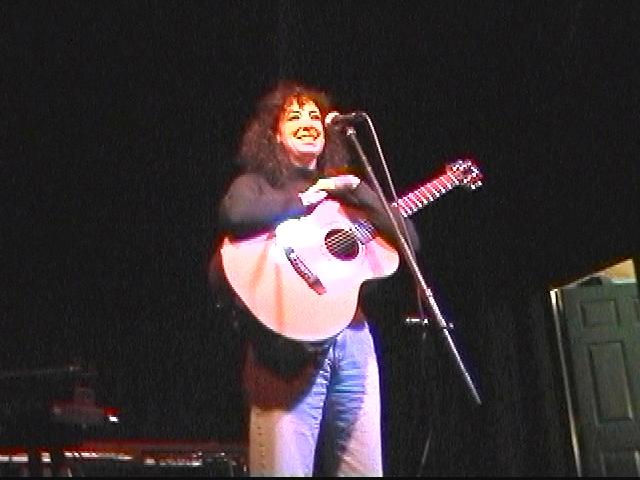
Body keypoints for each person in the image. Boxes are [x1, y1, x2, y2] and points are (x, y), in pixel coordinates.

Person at [208, 80, 420, 476]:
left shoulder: (346, 199)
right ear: (275, 135)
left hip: (353, 341)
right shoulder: (259, 184)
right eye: (295, 117)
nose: (308, 123)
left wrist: (359, 189)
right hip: (286, 345)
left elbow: (409, 240)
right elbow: (235, 214)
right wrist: (307, 198)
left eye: (315, 117)